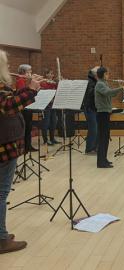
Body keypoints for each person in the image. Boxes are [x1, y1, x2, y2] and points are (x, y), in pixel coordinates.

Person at [0, 49, 41, 253]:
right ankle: (1, 239)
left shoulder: (2, 87)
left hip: (6, 143)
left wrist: (26, 90)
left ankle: (1, 232)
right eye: (6, 65)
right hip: (4, 146)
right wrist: (31, 90)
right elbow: (8, 107)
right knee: (1, 192)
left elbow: (9, 100)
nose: (8, 68)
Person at [94, 67, 124, 168]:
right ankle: (101, 162)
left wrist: (119, 87)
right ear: (104, 74)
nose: (109, 75)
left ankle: (104, 159)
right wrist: (122, 88)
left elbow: (110, 94)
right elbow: (108, 93)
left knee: (106, 137)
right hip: (102, 114)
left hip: (106, 113)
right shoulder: (100, 84)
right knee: (103, 138)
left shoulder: (104, 83)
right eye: (108, 74)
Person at [16, 64, 37, 152]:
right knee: (26, 128)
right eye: (29, 72)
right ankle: (25, 147)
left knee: (29, 127)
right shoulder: (20, 80)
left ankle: (28, 146)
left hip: (28, 106)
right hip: (24, 108)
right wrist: (30, 85)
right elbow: (23, 93)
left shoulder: (25, 80)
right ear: (23, 72)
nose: (30, 73)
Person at [40, 68, 60, 145]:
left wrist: (59, 82)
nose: (52, 75)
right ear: (46, 74)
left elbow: (58, 90)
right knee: (46, 123)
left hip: (53, 105)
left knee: (54, 122)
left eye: (52, 74)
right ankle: (45, 140)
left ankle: (52, 138)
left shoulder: (54, 83)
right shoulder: (43, 82)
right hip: (46, 105)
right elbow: (45, 91)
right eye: (50, 73)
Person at [82, 66, 99, 155]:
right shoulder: (90, 81)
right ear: (95, 74)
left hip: (94, 108)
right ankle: (89, 149)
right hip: (89, 108)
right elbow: (91, 93)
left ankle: (95, 147)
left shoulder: (95, 81)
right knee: (93, 129)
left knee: (96, 128)